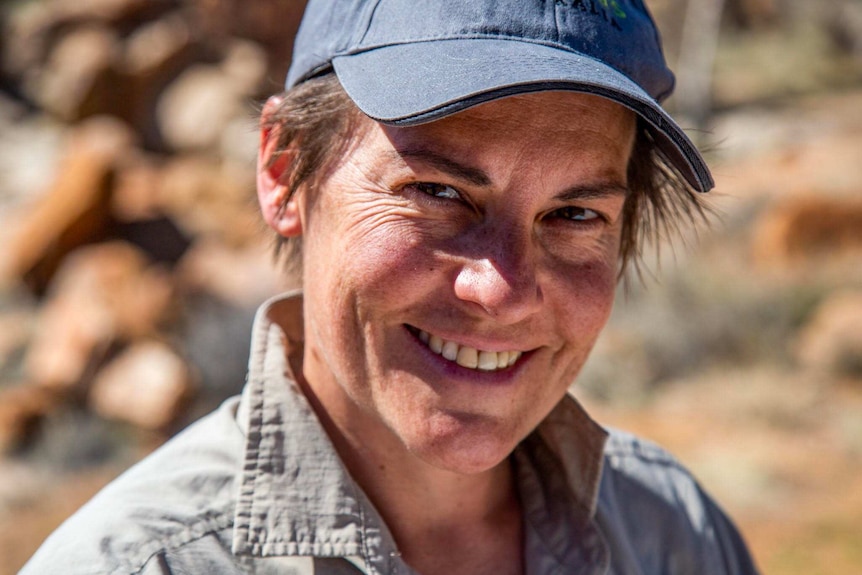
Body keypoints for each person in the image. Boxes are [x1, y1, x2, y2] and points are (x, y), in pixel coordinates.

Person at [21, 0, 760, 574]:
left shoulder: (672, 533)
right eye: (437, 191)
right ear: (283, 169)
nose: (501, 289)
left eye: (573, 213)